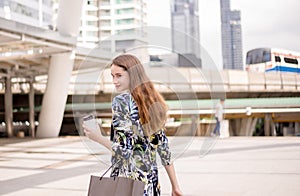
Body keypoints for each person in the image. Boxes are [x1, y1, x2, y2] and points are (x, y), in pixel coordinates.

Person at [83, 54, 183, 196]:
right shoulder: (154, 101)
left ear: (132, 74)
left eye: (119, 76)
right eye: (112, 76)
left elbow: (125, 152)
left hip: (127, 183)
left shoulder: (121, 103)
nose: (114, 81)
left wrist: (98, 137)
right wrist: (175, 186)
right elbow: (164, 149)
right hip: (151, 185)